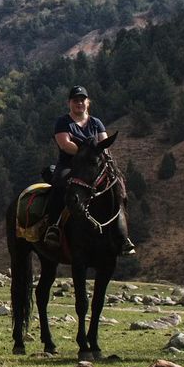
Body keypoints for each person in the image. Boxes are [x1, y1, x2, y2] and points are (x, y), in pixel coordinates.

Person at [38, 85, 137, 257]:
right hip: (70, 164)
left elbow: (103, 144)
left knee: (118, 188)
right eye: (75, 100)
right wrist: (85, 152)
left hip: (93, 165)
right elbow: (64, 144)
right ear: (69, 103)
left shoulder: (96, 122)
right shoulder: (63, 122)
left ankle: (122, 236)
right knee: (60, 184)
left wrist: (95, 155)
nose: (79, 103)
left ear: (87, 102)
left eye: (82, 100)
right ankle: (54, 226)